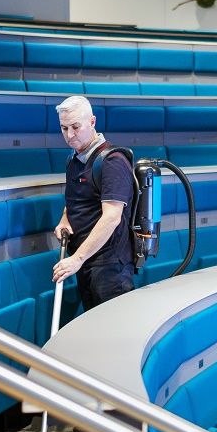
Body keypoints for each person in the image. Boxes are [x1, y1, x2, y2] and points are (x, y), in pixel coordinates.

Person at [52, 95, 135, 312]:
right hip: (86, 262)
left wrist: (77, 259)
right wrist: (65, 219)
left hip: (110, 267)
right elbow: (77, 198)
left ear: (92, 122)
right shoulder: (74, 160)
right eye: (64, 128)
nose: (69, 135)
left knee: (113, 335)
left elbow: (111, 217)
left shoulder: (112, 161)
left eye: (75, 127)